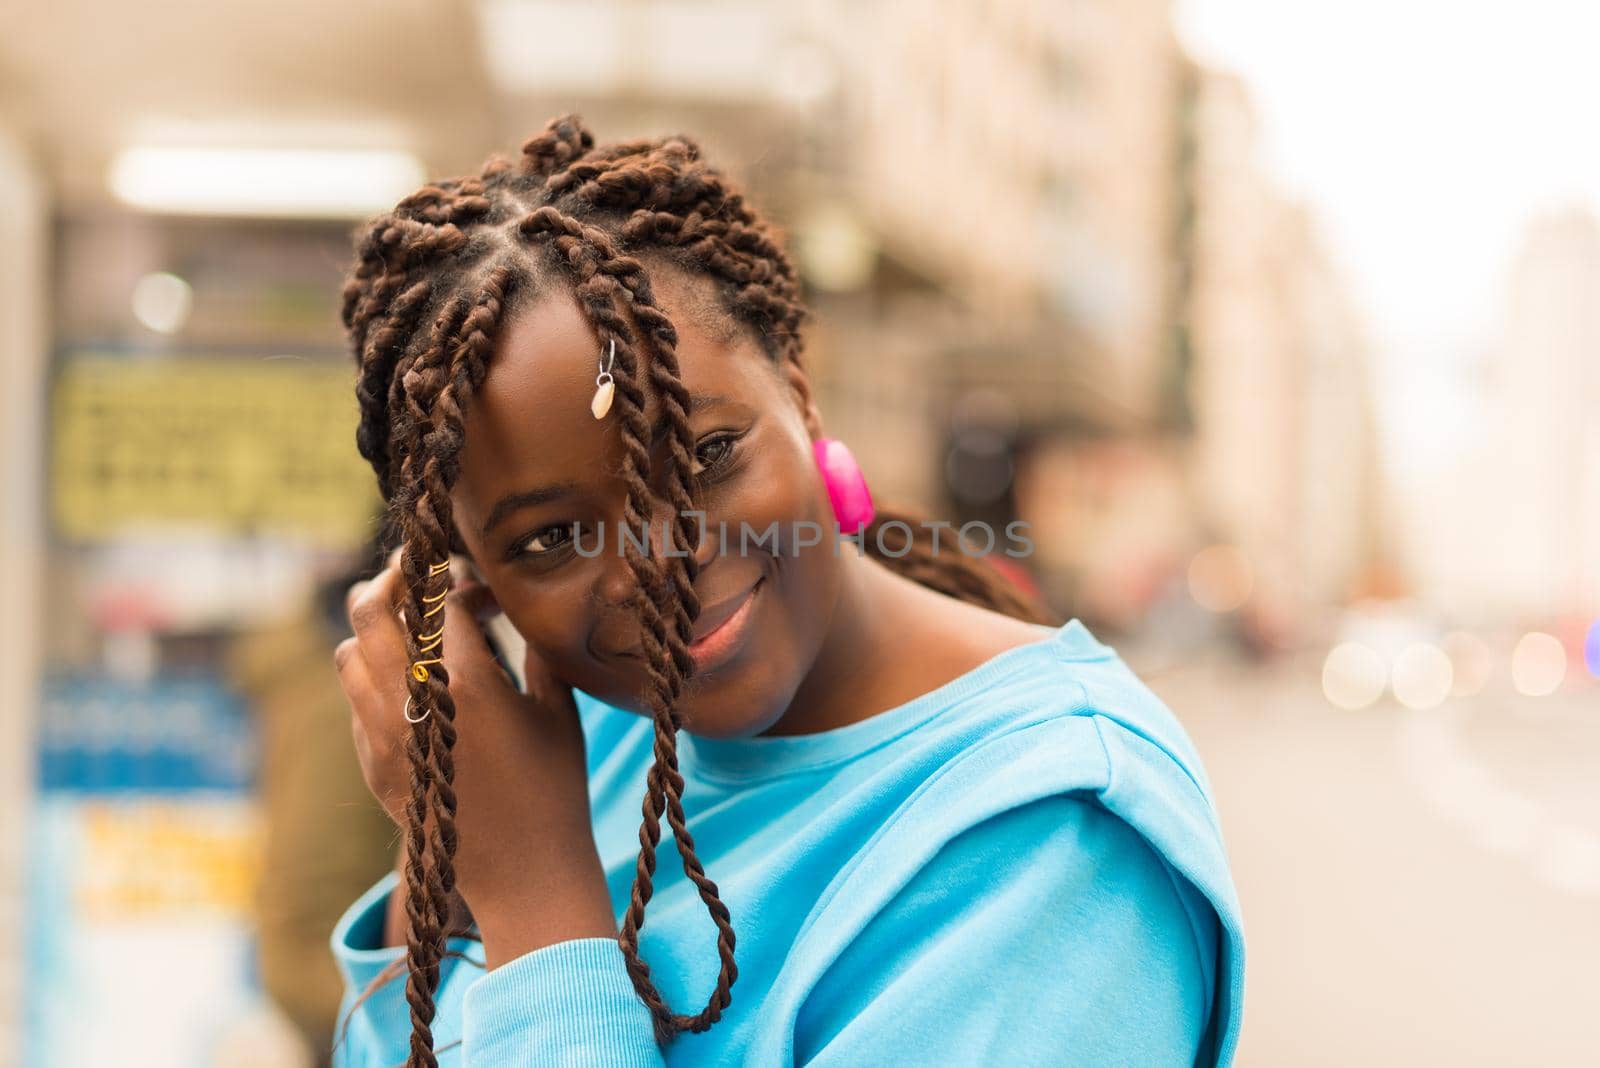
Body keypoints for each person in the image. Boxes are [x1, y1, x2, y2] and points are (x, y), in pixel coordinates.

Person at [328, 113, 1245, 1067]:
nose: (659, 566)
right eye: (551, 537)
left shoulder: (1056, 840)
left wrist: (537, 904)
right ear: (468, 578)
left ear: (799, 396)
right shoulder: (565, 750)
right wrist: (443, 840)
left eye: (705, 454)